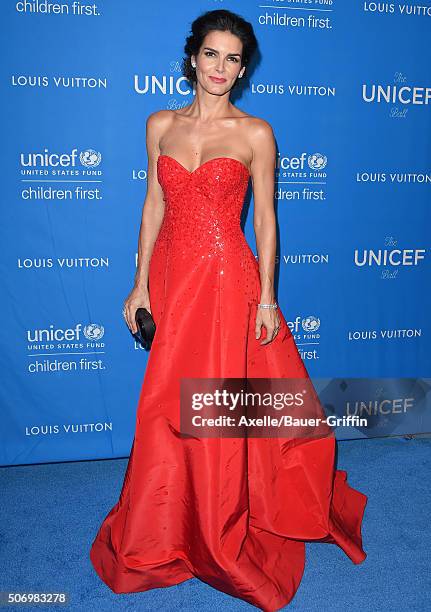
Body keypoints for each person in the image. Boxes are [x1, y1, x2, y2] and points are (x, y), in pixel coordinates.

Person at [89, 9, 367, 611]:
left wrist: (268, 297)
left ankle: (214, 527)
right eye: (212, 54)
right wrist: (138, 285)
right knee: (167, 403)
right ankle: (163, 522)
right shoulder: (159, 123)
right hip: (171, 276)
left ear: (243, 69)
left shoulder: (255, 133)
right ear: (193, 58)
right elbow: (153, 204)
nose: (221, 67)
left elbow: (266, 221)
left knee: (214, 402)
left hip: (225, 282)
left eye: (233, 58)